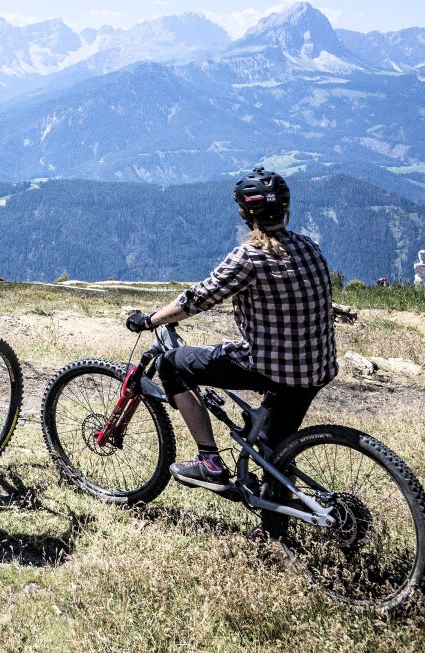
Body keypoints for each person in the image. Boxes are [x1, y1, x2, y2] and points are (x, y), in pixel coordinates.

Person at [124, 167, 337, 491]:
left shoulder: (250, 256)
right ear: (285, 208)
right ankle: (276, 517)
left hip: (272, 367)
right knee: (273, 449)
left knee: (171, 365)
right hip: (317, 367)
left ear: (244, 212)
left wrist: (151, 320)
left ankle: (209, 462)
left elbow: (198, 298)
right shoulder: (309, 246)